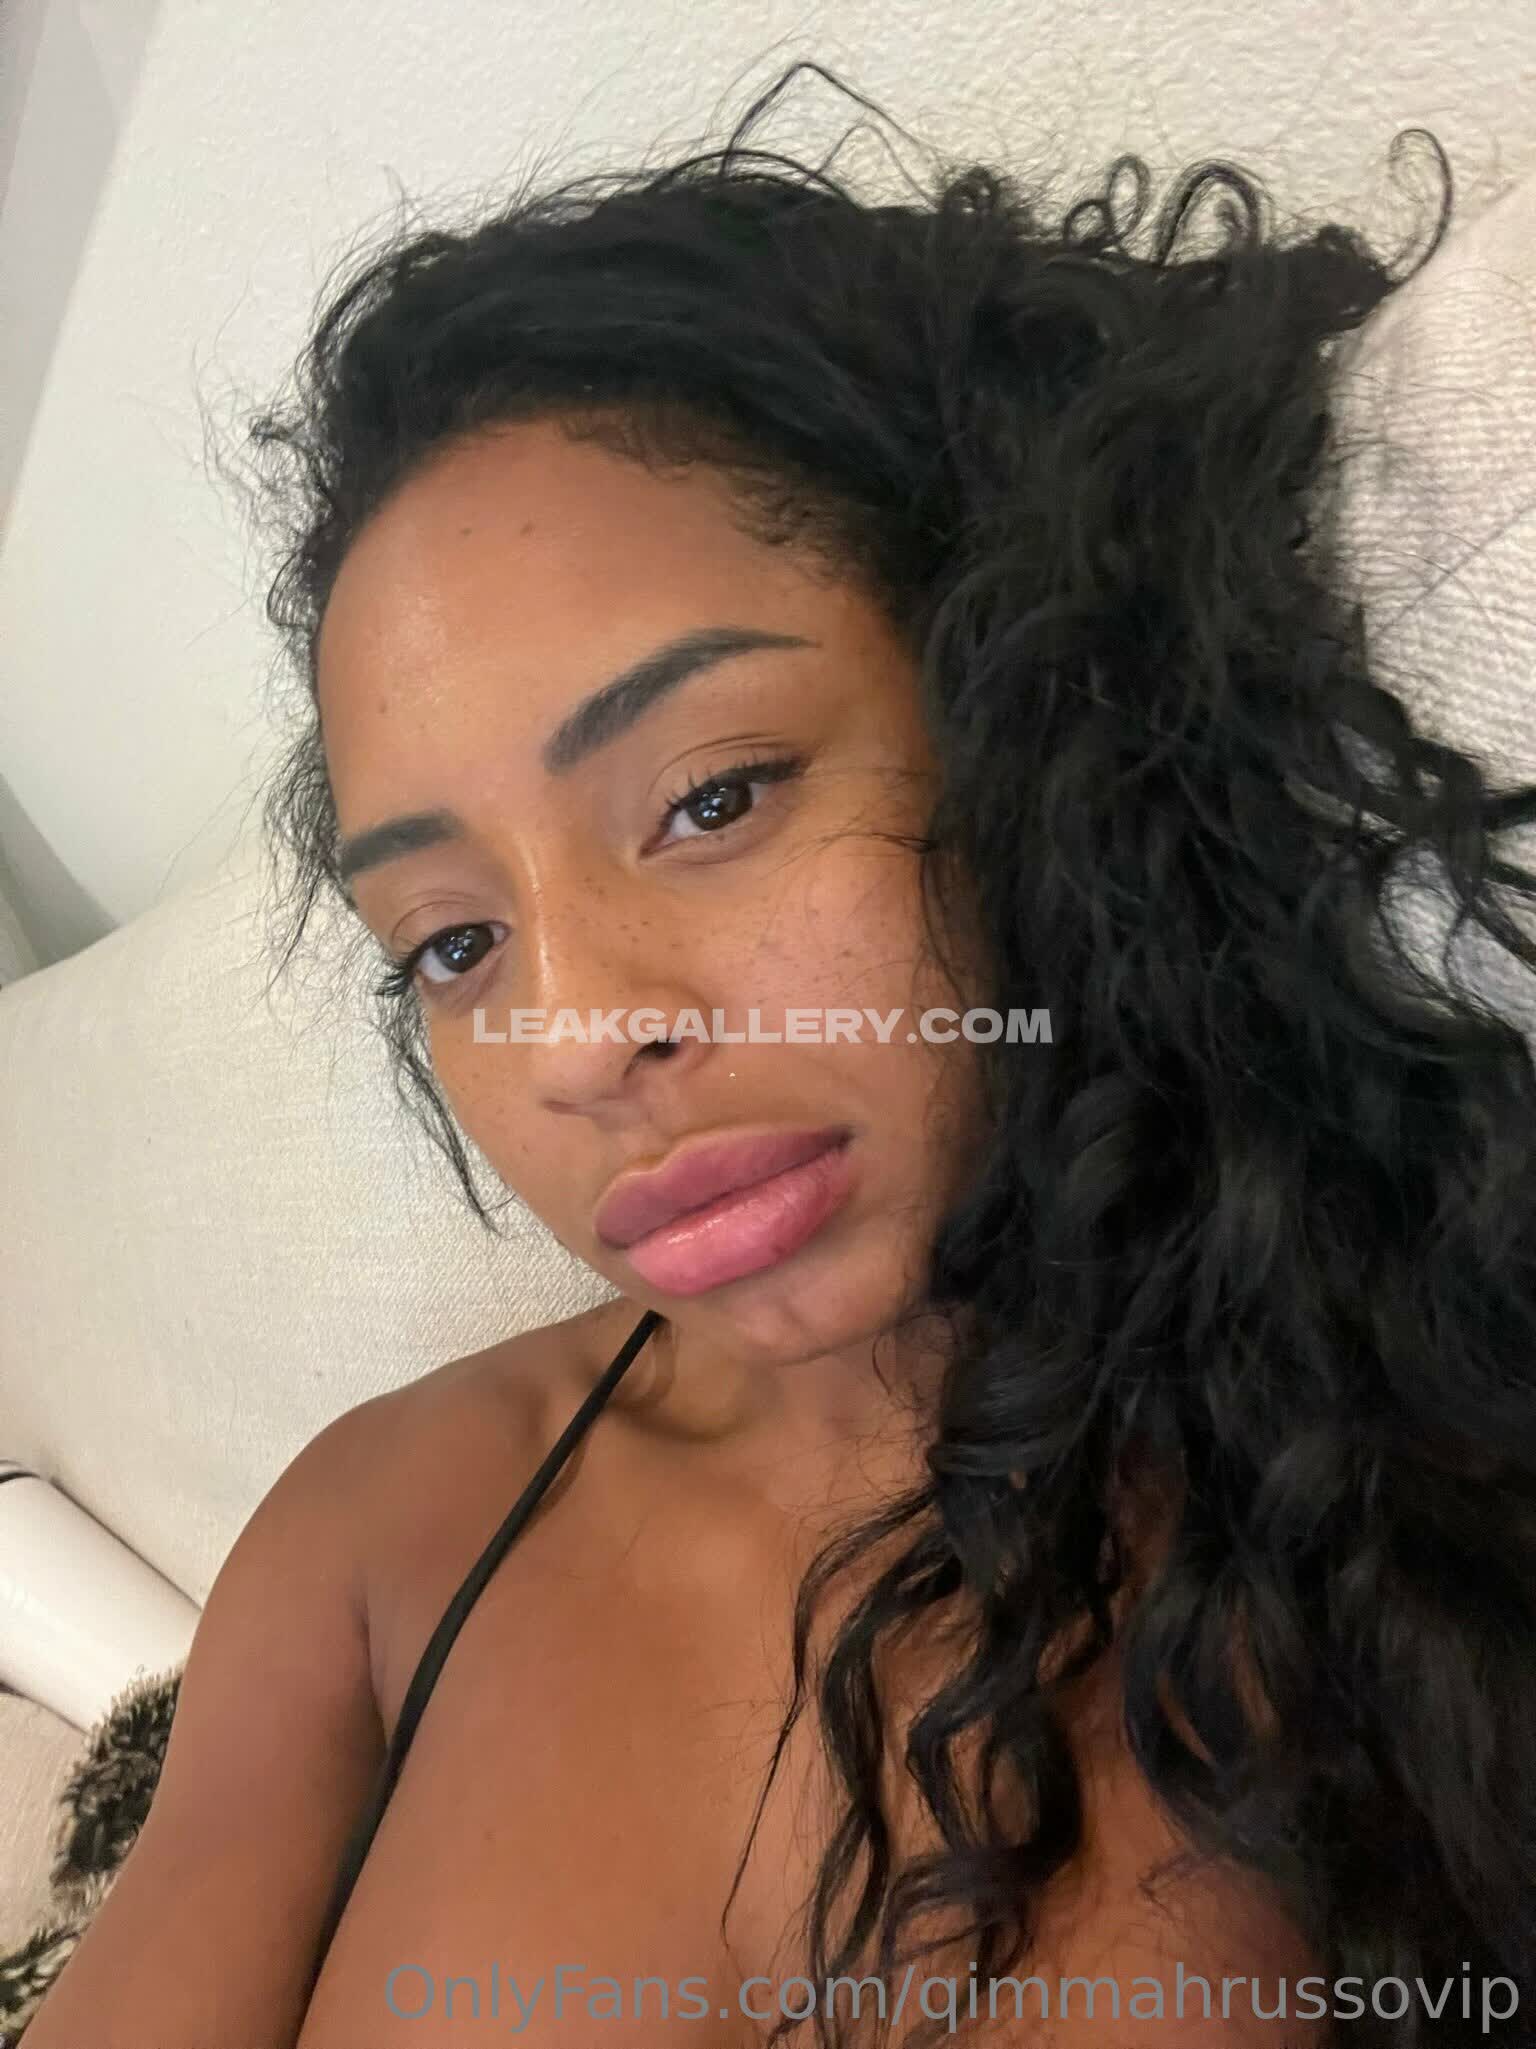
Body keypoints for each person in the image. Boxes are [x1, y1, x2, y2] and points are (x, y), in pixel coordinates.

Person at [22, 58, 1536, 2049]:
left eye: (714, 795)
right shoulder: (384, 1522)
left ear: (1021, 701)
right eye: (456, 943)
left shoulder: (1423, 1454)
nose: (581, 1038)